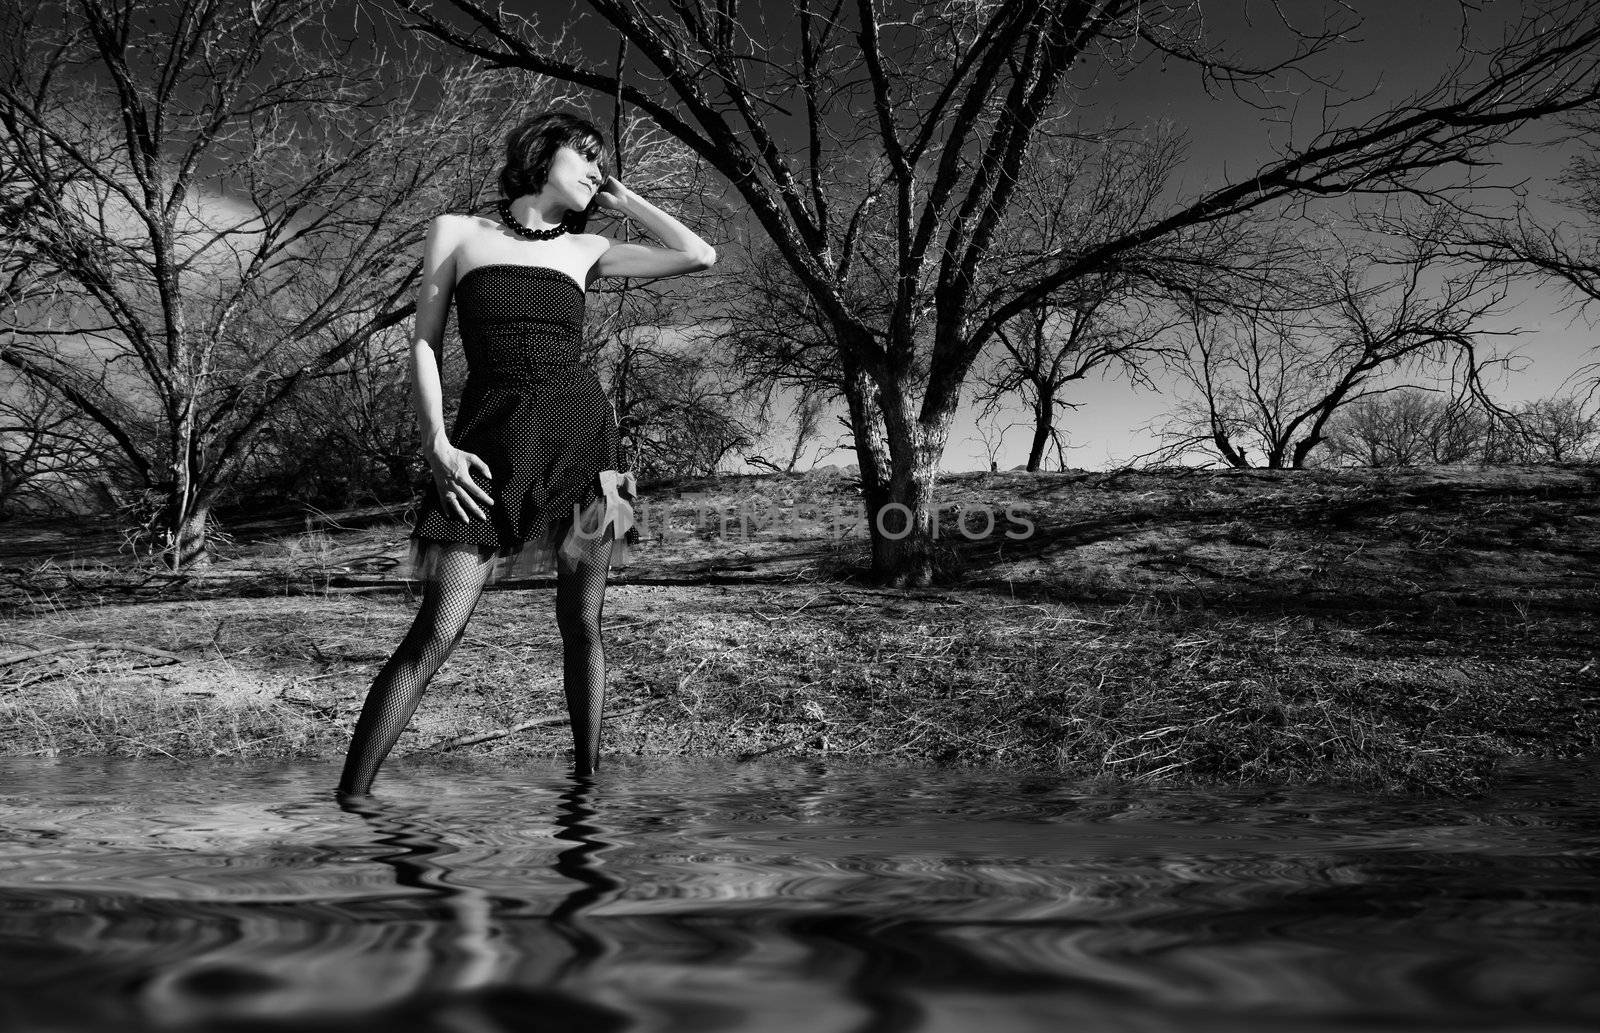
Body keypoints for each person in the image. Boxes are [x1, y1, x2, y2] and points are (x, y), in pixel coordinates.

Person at [337, 111, 716, 797]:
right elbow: (423, 341)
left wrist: (624, 201)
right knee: (435, 632)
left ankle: (585, 795)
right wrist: (436, 445)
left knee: (584, 623)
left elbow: (701, 254)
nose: (597, 169)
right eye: (587, 155)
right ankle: (350, 801)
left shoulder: (589, 248)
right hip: (486, 449)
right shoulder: (457, 231)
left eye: (605, 163)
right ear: (544, 151)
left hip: (593, 453)